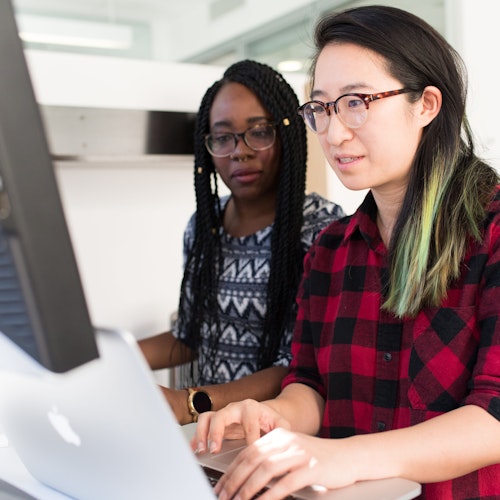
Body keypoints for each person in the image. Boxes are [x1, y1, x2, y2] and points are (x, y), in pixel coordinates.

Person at [192, 6, 500, 500]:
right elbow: (310, 386)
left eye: (356, 102)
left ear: (426, 105)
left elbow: (495, 417)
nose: (334, 134)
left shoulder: (493, 231)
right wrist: (273, 415)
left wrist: (343, 456)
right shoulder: (330, 249)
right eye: (321, 108)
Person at [139, 60, 344, 426]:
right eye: (223, 137)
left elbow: (298, 366)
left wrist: (189, 403)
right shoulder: (204, 227)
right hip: (211, 435)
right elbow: (190, 335)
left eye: (259, 132)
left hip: (279, 436)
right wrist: (111, 357)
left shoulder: (321, 230)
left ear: (286, 136)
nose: (240, 151)